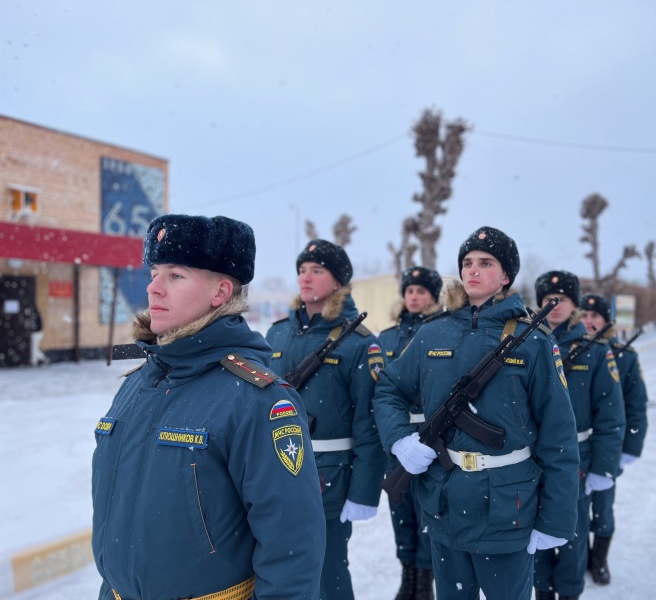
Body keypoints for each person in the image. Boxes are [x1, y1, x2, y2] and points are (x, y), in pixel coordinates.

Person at [91, 214, 325, 600]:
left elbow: (292, 544)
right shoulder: (137, 384)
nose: (153, 288)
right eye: (154, 273)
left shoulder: (257, 399)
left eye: (175, 275)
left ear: (220, 292)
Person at [373, 227, 580, 600]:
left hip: (507, 507)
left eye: (486, 263)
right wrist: (399, 440)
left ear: (506, 276)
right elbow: (388, 388)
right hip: (445, 503)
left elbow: (558, 435)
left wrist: (556, 519)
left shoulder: (533, 341)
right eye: (467, 262)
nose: (473, 270)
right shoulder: (433, 334)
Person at [266, 239, 386, 600]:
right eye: (302, 270)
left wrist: (363, 492)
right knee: (277, 570)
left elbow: (370, 423)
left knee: (328, 570)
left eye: (316, 271)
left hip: (329, 476)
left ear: (338, 282)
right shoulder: (277, 333)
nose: (305, 277)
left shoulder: (360, 343)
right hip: (274, 469)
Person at [532, 272, 625, 600]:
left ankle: (570, 592)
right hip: (532, 458)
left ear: (575, 305)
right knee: (535, 534)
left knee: (572, 532)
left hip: (577, 457)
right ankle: (542, 590)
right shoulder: (526, 343)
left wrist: (603, 468)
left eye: (563, 299)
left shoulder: (596, 350)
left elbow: (611, 416)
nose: (555, 305)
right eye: (548, 299)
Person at [377, 265, 443, 600]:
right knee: (401, 512)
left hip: (432, 438)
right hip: (396, 436)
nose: (414, 297)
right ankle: (408, 577)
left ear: (434, 296)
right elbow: (379, 391)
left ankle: (425, 581)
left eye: (422, 291)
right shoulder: (387, 338)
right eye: (410, 291)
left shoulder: (441, 332)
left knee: (428, 513)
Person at [580, 293, 649, 586]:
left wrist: (629, 448)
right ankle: (581, 555)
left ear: (607, 320)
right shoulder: (566, 350)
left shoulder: (624, 356)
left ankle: (599, 560)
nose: (588, 321)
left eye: (595, 316)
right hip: (577, 445)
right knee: (575, 507)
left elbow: (636, 405)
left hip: (608, 445)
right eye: (583, 315)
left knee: (603, 506)